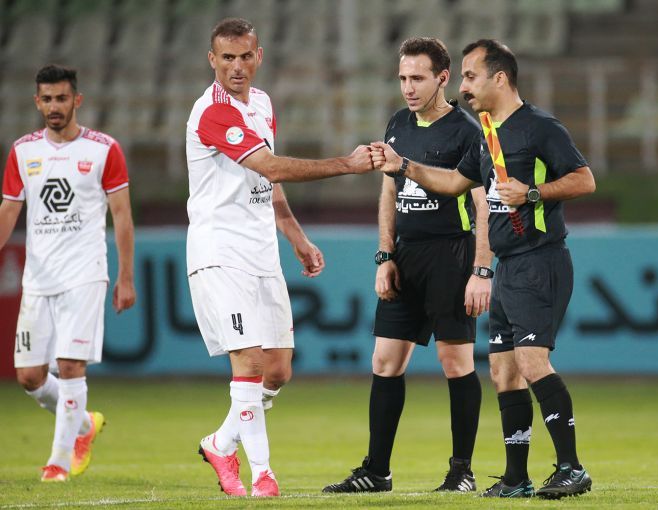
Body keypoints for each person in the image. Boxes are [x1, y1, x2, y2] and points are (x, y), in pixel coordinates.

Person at [371, 39, 596, 500]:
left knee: (531, 363)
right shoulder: (489, 132)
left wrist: (532, 193)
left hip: (540, 259)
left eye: (471, 76)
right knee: (502, 373)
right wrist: (404, 166)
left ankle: (572, 468)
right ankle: (516, 478)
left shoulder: (539, 127)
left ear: (500, 78)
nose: (464, 86)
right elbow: (456, 182)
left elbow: (584, 179)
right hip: (509, 264)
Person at [186, 18, 373, 498]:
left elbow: (265, 181)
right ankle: (263, 476)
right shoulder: (211, 112)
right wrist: (347, 165)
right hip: (220, 250)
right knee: (249, 360)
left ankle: (220, 443)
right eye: (227, 57)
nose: (237, 66)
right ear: (212, 60)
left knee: (278, 370)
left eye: (245, 56)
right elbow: (269, 164)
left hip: (261, 251)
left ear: (259, 56)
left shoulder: (263, 104)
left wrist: (295, 236)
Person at [323, 37, 491, 495]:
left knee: (455, 362)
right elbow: (388, 192)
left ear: (442, 78)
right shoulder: (398, 123)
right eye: (402, 78)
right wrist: (385, 255)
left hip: (450, 255)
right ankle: (377, 471)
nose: (408, 87)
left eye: (417, 78)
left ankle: (461, 472)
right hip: (407, 255)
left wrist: (481, 270)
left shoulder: (466, 131)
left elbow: (482, 204)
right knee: (384, 360)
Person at [0, 65, 136, 482]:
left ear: (77, 100)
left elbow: (122, 215)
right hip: (39, 277)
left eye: (61, 98)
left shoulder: (104, 149)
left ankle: (57, 464)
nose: (54, 106)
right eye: (47, 99)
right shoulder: (23, 151)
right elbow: (9, 210)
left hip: (84, 272)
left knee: (71, 365)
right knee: (29, 377)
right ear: (37, 102)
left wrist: (126, 276)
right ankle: (84, 425)